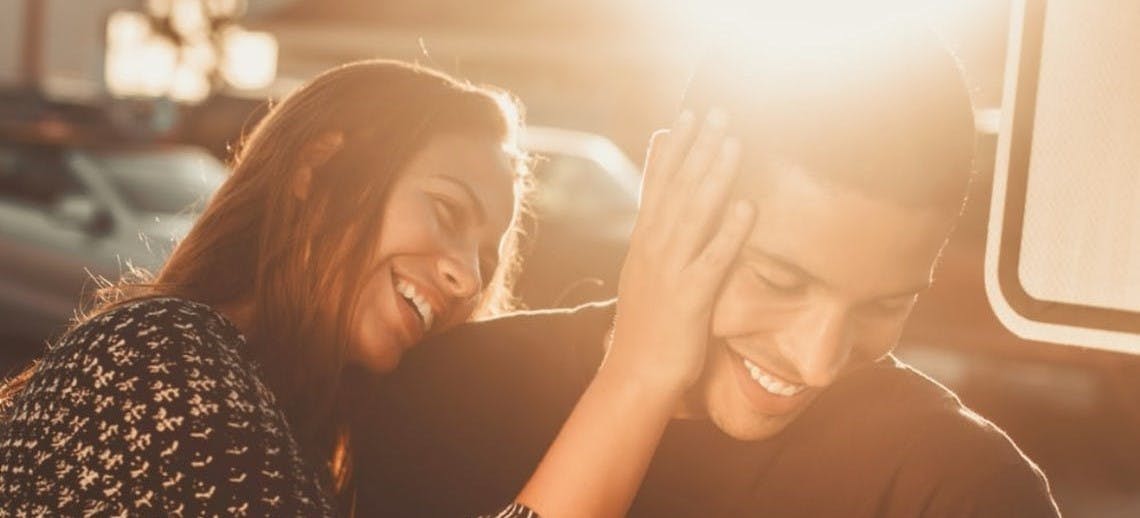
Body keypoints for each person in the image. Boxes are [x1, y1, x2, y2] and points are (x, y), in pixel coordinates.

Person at [350, 24, 1063, 518]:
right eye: (779, 280)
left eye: (885, 305)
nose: (818, 361)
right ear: (669, 189)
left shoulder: (963, 489)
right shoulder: (454, 397)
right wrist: (641, 378)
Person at [0, 59, 752, 517]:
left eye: (488, 252)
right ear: (316, 171)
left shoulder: (302, 433)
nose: (467, 274)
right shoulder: (157, 358)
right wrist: (638, 376)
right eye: (448, 212)